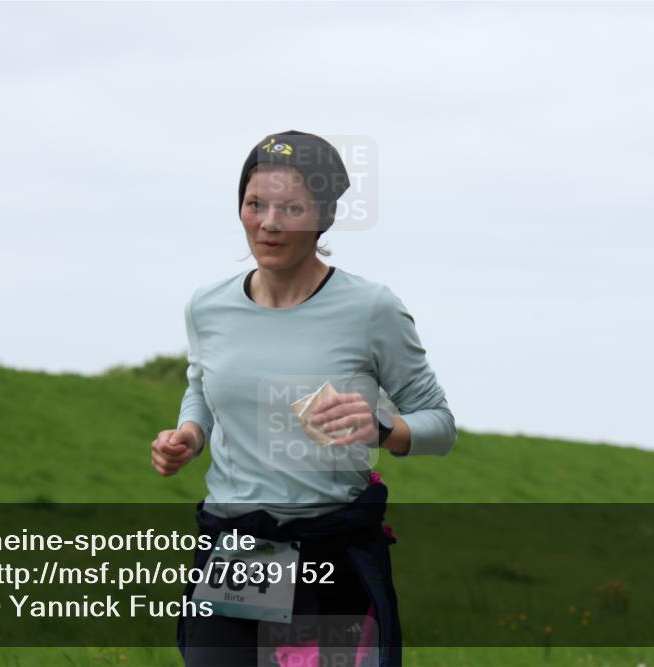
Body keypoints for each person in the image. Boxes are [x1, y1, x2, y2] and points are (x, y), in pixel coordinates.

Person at [150, 130, 457, 667]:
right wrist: (190, 435)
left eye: (291, 207)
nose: (268, 223)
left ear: (323, 216)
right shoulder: (208, 307)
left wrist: (382, 427)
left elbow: (440, 424)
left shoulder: (371, 309)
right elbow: (200, 386)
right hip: (240, 553)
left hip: (329, 556)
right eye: (255, 205)